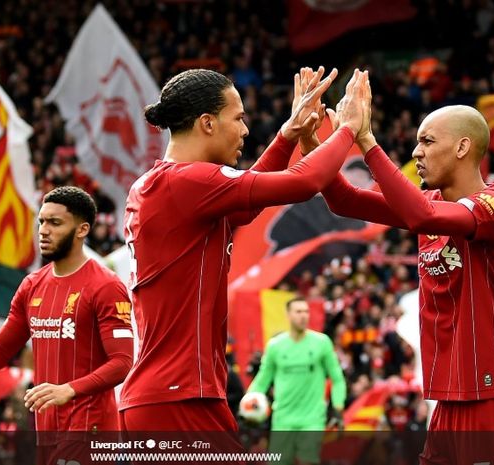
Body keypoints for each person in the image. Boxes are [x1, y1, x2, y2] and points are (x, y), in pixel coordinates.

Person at [302, 73, 494, 461]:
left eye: (427, 141)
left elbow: (420, 214)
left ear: (463, 147)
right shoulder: (429, 203)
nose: (417, 152)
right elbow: (345, 202)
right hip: (448, 400)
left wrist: (366, 141)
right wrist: (315, 144)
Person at [119, 66, 368, 432]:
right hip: (177, 398)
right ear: (207, 123)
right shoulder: (187, 181)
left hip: (177, 394)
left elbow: (247, 206)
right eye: (238, 118)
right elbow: (305, 181)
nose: (245, 130)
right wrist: (348, 127)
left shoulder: (170, 185)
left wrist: (288, 135)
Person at [0, 186, 134, 463]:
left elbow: (123, 362)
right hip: (46, 431)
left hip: (91, 430)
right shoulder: (32, 285)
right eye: (41, 221)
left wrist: (70, 389)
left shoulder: (106, 286)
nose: (43, 230)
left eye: (55, 223)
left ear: (82, 230)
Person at [244, 297, 346, 465]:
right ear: (288, 315)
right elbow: (262, 381)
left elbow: (337, 379)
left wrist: (338, 407)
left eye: (306, 311)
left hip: (312, 419)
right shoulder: (275, 346)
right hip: (283, 418)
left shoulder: (322, 343)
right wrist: (248, 402)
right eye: (298, 312)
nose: (303, 316)